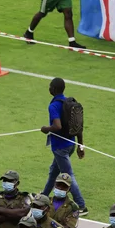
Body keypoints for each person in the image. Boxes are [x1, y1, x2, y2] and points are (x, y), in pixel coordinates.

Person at [40, 77, 88, 216]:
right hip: (71, 144)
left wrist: (46, 129)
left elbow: (57, 126)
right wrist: (80, 146)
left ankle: (82, 206)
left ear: (53, 89)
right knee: (53, 171)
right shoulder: (69, 103)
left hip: (60, 147)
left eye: (50, 86)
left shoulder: (54, 106)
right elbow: (78, 126)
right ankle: (44, 196)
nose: (49, 88)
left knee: (68, 175)